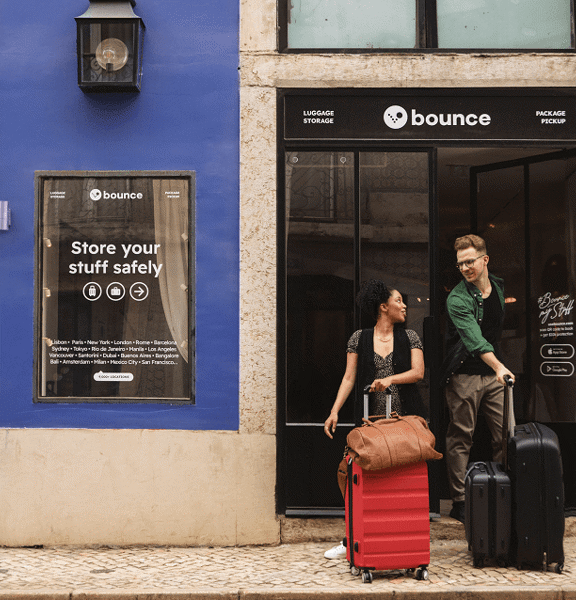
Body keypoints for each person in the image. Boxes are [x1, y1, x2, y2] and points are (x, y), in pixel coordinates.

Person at [323, 279, 427, 559]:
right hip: (370, 422)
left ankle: (399, 539)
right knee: (349, 472)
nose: (404, 305)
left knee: (402, 479)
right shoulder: (358, 338)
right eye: (398, 301)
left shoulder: (411, 337)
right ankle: (351, 539)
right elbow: (349, 377)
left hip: (404, 422)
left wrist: (389, 379)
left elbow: (418, 372)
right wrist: (334, 411)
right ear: (384, 307)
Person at [440, 234, 515, 525]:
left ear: (484, 259)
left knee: (505, 436)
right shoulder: (457, 298)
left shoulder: (497, 285)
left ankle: (502, 490)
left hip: (494, 373)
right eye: (460, 264)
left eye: (470, 261)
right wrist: (499, 366)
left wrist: (497, 368)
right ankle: (459, 501)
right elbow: (475, 340)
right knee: (461, 436)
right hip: (465, 374)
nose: (465, 268)